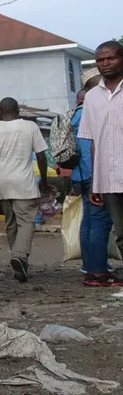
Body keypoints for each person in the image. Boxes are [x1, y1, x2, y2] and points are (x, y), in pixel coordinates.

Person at [0, 97, 49, 283]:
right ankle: (19, 256)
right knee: (26, 222)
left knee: (11, 224)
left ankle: (19, 263)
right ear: (19, 111)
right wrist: (44, 181)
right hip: (24, 183)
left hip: (3, 184)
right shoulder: (30, 127)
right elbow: (41, 156)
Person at [79, 41, 123, 266]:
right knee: (121, 234)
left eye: (111, 58)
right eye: (100, 60)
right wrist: (95, 184)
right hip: (109, 180)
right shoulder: (92, 97)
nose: (105, 63)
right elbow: (94, 142)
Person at [72, 74, 116, 286]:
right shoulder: (92, 112)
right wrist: (97, 180)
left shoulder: (75, 114)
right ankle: (98, 270)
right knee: (100, 221)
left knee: (89, 221)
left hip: (80, 175)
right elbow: (92, 148)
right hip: (95, 175)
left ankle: (90, 267)